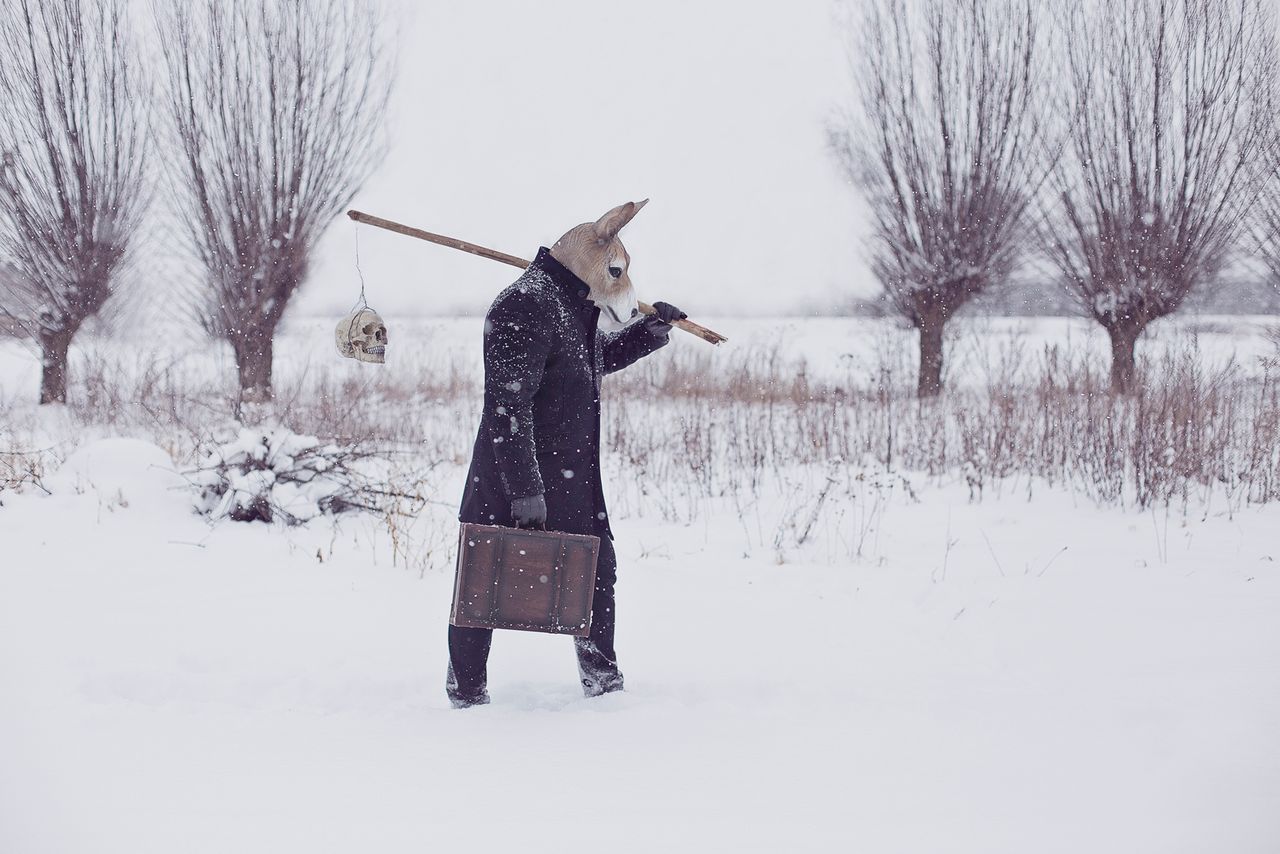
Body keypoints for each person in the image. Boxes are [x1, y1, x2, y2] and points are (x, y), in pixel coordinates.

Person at [447, 220, 685, 708]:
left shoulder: (571, 305)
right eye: (615, 271)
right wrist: (524, 487)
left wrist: (649, 332)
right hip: (518, 480)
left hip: (572, 482)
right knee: (482, 586)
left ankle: (604, 690)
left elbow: (587, 361)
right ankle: (466, 697)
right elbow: (507, 405)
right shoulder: (524, 304)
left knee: (598, 575)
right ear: (591, 256)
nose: (621, 285)